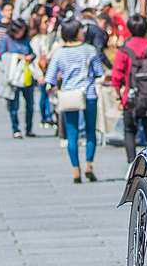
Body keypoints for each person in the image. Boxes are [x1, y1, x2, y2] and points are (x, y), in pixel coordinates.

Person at [45, 19, 105, 183]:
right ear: (75, 32)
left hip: (69, 96)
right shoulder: (89, 50)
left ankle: (75, 170)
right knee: (91, 131)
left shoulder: (59, 53)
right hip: (89, 93)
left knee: (72, 134)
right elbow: (99, 72)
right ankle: (89, 165)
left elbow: (49, 77)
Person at [110, 13, 147, 163]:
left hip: (131, 98)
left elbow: (116, 77)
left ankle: (131, 163)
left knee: (129, 131)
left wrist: (118, 96)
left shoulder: (124, 50)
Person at [0, 19, 36, 138]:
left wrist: (30, 57)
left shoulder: (25, 39)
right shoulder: (6, 39)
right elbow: (1, 55)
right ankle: (16, 128)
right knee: (14, 104)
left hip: (25, 75)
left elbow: (33, 52)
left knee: (30, 104)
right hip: (13, 76)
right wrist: (16, 57)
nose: (21, 33)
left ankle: (29, 128)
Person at [29, 10, 57, 127]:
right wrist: (38, 74)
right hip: (42, 70)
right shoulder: (36, 40)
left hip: (52, 69)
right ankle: (45, 116)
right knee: (44, 94)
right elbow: (35, 58)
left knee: (51, 93)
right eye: (45, 22)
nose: (47, 24)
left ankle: (50, 116)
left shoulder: (52, 37)